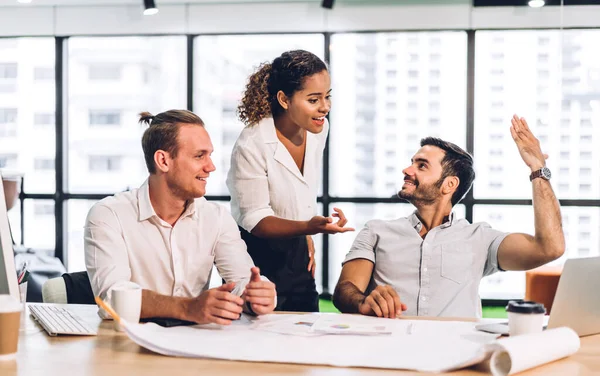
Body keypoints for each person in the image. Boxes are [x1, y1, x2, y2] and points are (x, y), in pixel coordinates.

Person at [333, 115, 565, 319]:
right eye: (412, 162)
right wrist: (363, 302)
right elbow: (345, 290)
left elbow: (550, 248)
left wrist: (537, 168)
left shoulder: (480, 239)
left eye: (421, 166)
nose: (407, 170)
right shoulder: (376, 231)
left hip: (457, 357)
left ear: (449, 185)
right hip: (388, 353)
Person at [84, 110, 276, 325]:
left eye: (210, 155)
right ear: (163, 160)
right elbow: (112, 297)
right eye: (199, 155)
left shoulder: (217, 218)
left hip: (192, 346)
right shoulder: (108, 215)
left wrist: (255, 296)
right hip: (126, 348)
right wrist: (188, 307)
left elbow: (241, 281)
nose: (210, 167)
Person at [227, 50, 354, 312]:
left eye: (327, 96)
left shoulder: (319, 130)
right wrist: (307, 227)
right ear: (284, 99)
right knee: (258, 341)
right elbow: (256, 220)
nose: (325, 107)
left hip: (297, 250)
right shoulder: (252, 143)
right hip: (255, 257)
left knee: (308, 335)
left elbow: (302, 189)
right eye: (313, 99)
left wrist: (306, 232)